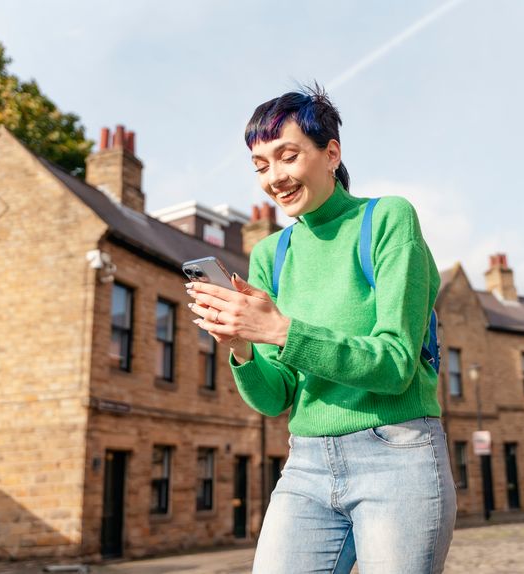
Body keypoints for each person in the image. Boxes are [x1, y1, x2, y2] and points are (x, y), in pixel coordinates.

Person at [185, 84, 456, 573]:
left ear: (331, 153)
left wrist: (283, 330)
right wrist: (242, 346)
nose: (275, 178)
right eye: (261, 166)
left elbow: (396, 364)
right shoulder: (272, 254)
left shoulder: (388, 219)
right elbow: (275, 398)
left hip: (398, 454)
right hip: (306, 462)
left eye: (288, 156)